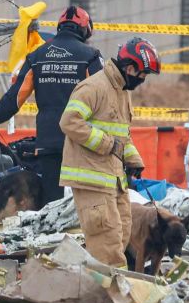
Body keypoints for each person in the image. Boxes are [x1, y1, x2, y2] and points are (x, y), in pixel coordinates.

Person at [58, 37, 160, 268]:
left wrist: (133, 158)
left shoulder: (122, 91)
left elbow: (121, 134)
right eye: (143, 73)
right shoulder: (94, 87)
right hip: (92, 179)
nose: (143, 79)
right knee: (107, 242)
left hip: (113, 178)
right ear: (130, 68)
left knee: (122, 231)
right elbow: (69, 121)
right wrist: (107, 144)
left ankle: (100, 280)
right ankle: (113, 288)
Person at [0, 6, 102, 206]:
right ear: (85, 30)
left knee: (52, 203)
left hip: (49, 140)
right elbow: (103, 95)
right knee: (83, 201)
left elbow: (16, 95)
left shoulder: (37, 56)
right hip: (81, 140)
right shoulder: (91, 55)